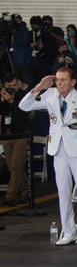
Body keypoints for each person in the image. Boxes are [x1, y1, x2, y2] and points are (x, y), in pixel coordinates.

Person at [19, 67, 77, 246]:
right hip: (58, 148)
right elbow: (24, 106)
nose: (59, 83)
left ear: (73, 82)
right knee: (63, 192)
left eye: (63, 80)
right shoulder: (50, 95)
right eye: (57, 80)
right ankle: (69, 231)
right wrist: (39, 87)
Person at [0, 71, 33, 205]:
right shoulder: (4, 95)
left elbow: (22, 115)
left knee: (16, 166)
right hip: (7, 135)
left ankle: (11, 195)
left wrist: (12, 101)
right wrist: (3, 101)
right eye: (9, 86)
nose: (12, 88)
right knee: (12, 167)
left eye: (14, 85)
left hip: (21, 135)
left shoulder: (24, 96)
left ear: (18, 83)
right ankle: (26, 192)